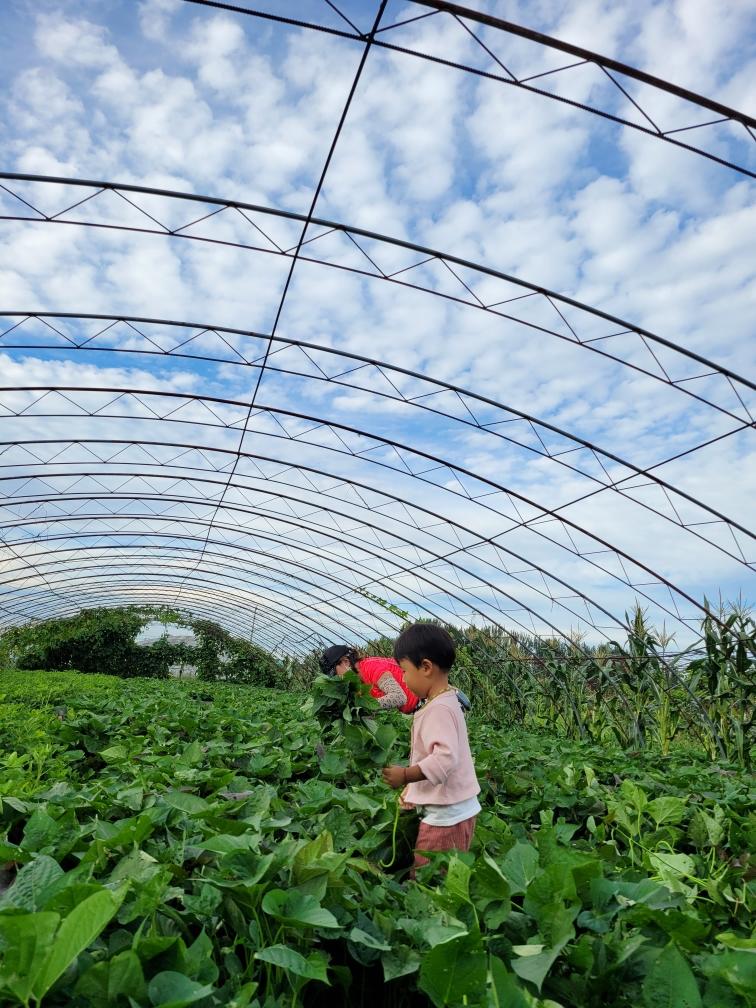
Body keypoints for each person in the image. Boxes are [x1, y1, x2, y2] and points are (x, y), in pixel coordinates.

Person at [381, 624, 480, 877]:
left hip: (447, 817)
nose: (402, 678)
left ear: (425, 667)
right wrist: (412, 790)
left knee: (429, 878)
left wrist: (406, 776)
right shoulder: (446, 700)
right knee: (441, 874)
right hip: (451, 808)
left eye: (404, 671)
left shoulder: (439, 710)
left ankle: (429, 913)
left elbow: (444, 759)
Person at [319, 644, 418, 713]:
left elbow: (399, 697)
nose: (337, 679)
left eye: (335, 674)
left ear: (346, 662)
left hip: (424, 705)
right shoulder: (356, 681)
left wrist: (365, 707)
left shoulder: (371, 668)